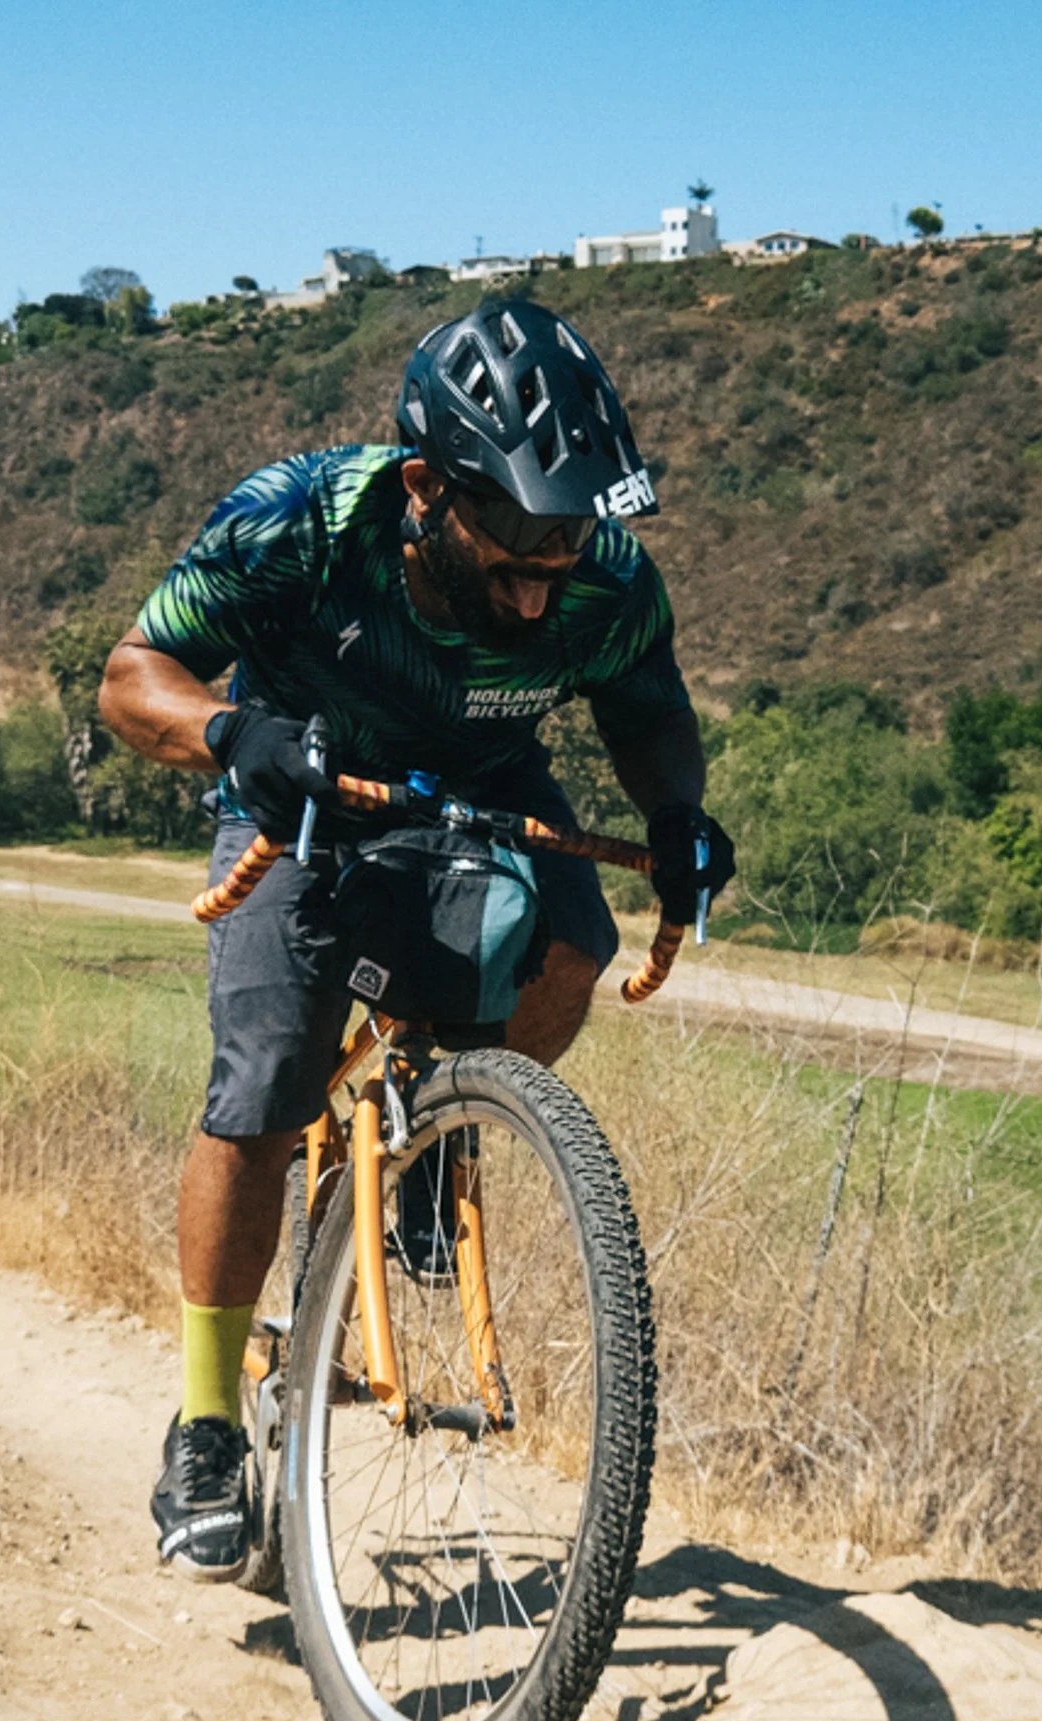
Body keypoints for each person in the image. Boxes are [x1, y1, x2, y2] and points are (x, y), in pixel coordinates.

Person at [97, 299, 735, 1580]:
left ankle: (437, 1133)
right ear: (427, 488)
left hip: (487, 780)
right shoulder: (297, 519)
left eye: (569, 530)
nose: (544, 567)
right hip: (302, 784)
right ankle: (209, 1419)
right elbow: (131, 678)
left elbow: (648, 708)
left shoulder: (598, 575)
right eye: (515, 530)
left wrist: (677, 818)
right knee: (268, 1080)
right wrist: (229, 733)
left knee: (569, 952)